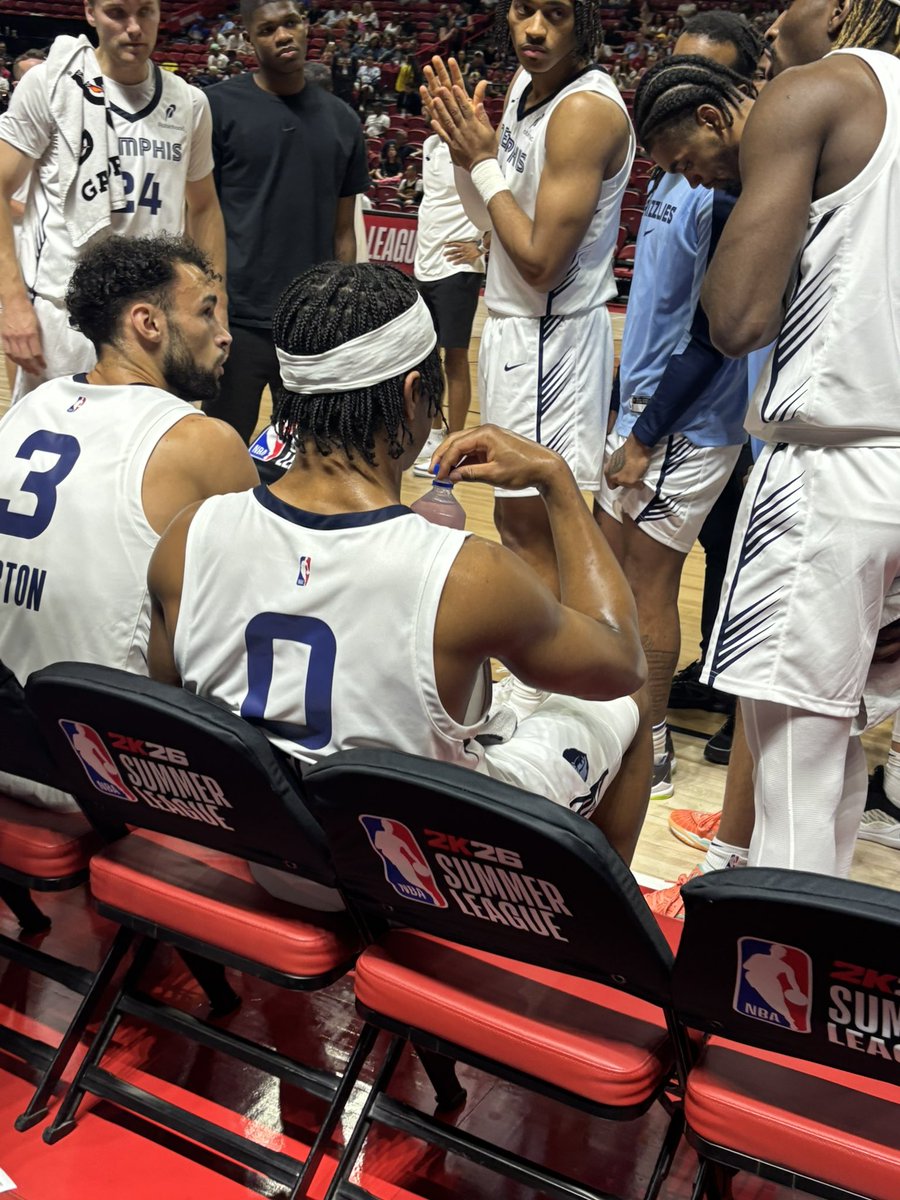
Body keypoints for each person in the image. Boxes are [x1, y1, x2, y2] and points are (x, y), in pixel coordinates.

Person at [148, 262, 652, 872]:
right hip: (419, 875)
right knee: (626, 710)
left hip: (259, 848)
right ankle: (591, 956)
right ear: (416, 393)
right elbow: (621, 661)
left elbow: (170, 712)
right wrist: (558, 481)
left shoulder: (188, 534)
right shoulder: (468, 575)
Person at [634, 4, 900, 878]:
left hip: (832, 468)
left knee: (798, 770)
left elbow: (737, 317)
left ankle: (776, 996)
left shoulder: (805, 97)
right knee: (848, 755)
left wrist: (753, 209)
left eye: (692, 167)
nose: (703, 186)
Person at [421, 0, 634, 717]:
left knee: (541, 521)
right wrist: (465, 160)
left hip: (551, 338)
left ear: (587, 23)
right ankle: (545, 685)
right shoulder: (521, 88)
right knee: (516, 523)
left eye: (555, 13)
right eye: (523, 9)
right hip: (518, 330)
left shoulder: (584, 112)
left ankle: (560, 698)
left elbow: (540, 260)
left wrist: (482, 158)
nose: (534, 28)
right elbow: (497, 221)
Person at [0, 233, 257, 811]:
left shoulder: (28, 408)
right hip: (97, 772)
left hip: (9, 738)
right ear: (147, 322)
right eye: (207, 312)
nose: (224, 335)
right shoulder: (201, 441)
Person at [597, 13, 763, 802]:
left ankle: (651, 746)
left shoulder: (735, 191)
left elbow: (711, 336)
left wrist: (644, 433)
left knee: (648, 579)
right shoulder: (680, 164)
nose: (685, 175)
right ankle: (614, 713)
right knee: (612, 563)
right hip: (646, 399)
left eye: (686, 161)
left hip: (688, 418)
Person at [0, 0, 226, 402]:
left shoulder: (190, 103)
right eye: (117, 13)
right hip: (64, 308)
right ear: (90, 12)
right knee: (59, 448)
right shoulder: (50, 84)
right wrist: (14, 305)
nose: (134, 27)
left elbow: (205, 207)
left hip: (158, 317)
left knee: (150, 453)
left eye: (146, 12)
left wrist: (215, 302)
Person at [202, 0, 370, 443]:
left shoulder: (343, 121)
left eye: (290, 23)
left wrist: (340, 315)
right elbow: (200, 214)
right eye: (268, 29)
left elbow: (343, 231)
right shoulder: (217, 108)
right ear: (249, 39)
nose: (282, 36)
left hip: (309, 326)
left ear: (306, 26)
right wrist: (208, 305)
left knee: (308, 458)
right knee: (220, 451)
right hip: (235, 320)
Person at [413, 131, 486, 472]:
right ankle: (434, 431)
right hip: (424, 265)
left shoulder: (475, 143)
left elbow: (502, 193)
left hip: (457, 268)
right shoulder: (429, 145)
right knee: (426, 358)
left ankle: (455, 441)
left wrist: (482, 247)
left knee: (455, 358)